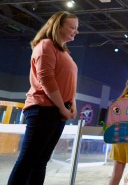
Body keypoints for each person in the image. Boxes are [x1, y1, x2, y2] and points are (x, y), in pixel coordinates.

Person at [8, 11, 79, 185]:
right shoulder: (46, 45)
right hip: (44, 109)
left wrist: (72, 103)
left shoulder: (64, 52)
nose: (76, 31)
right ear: (58, 26)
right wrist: (62, 107)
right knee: (28, 160)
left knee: (40, 162)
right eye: (73, 27)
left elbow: (65, 82)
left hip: (56, 110)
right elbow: (47, 80)